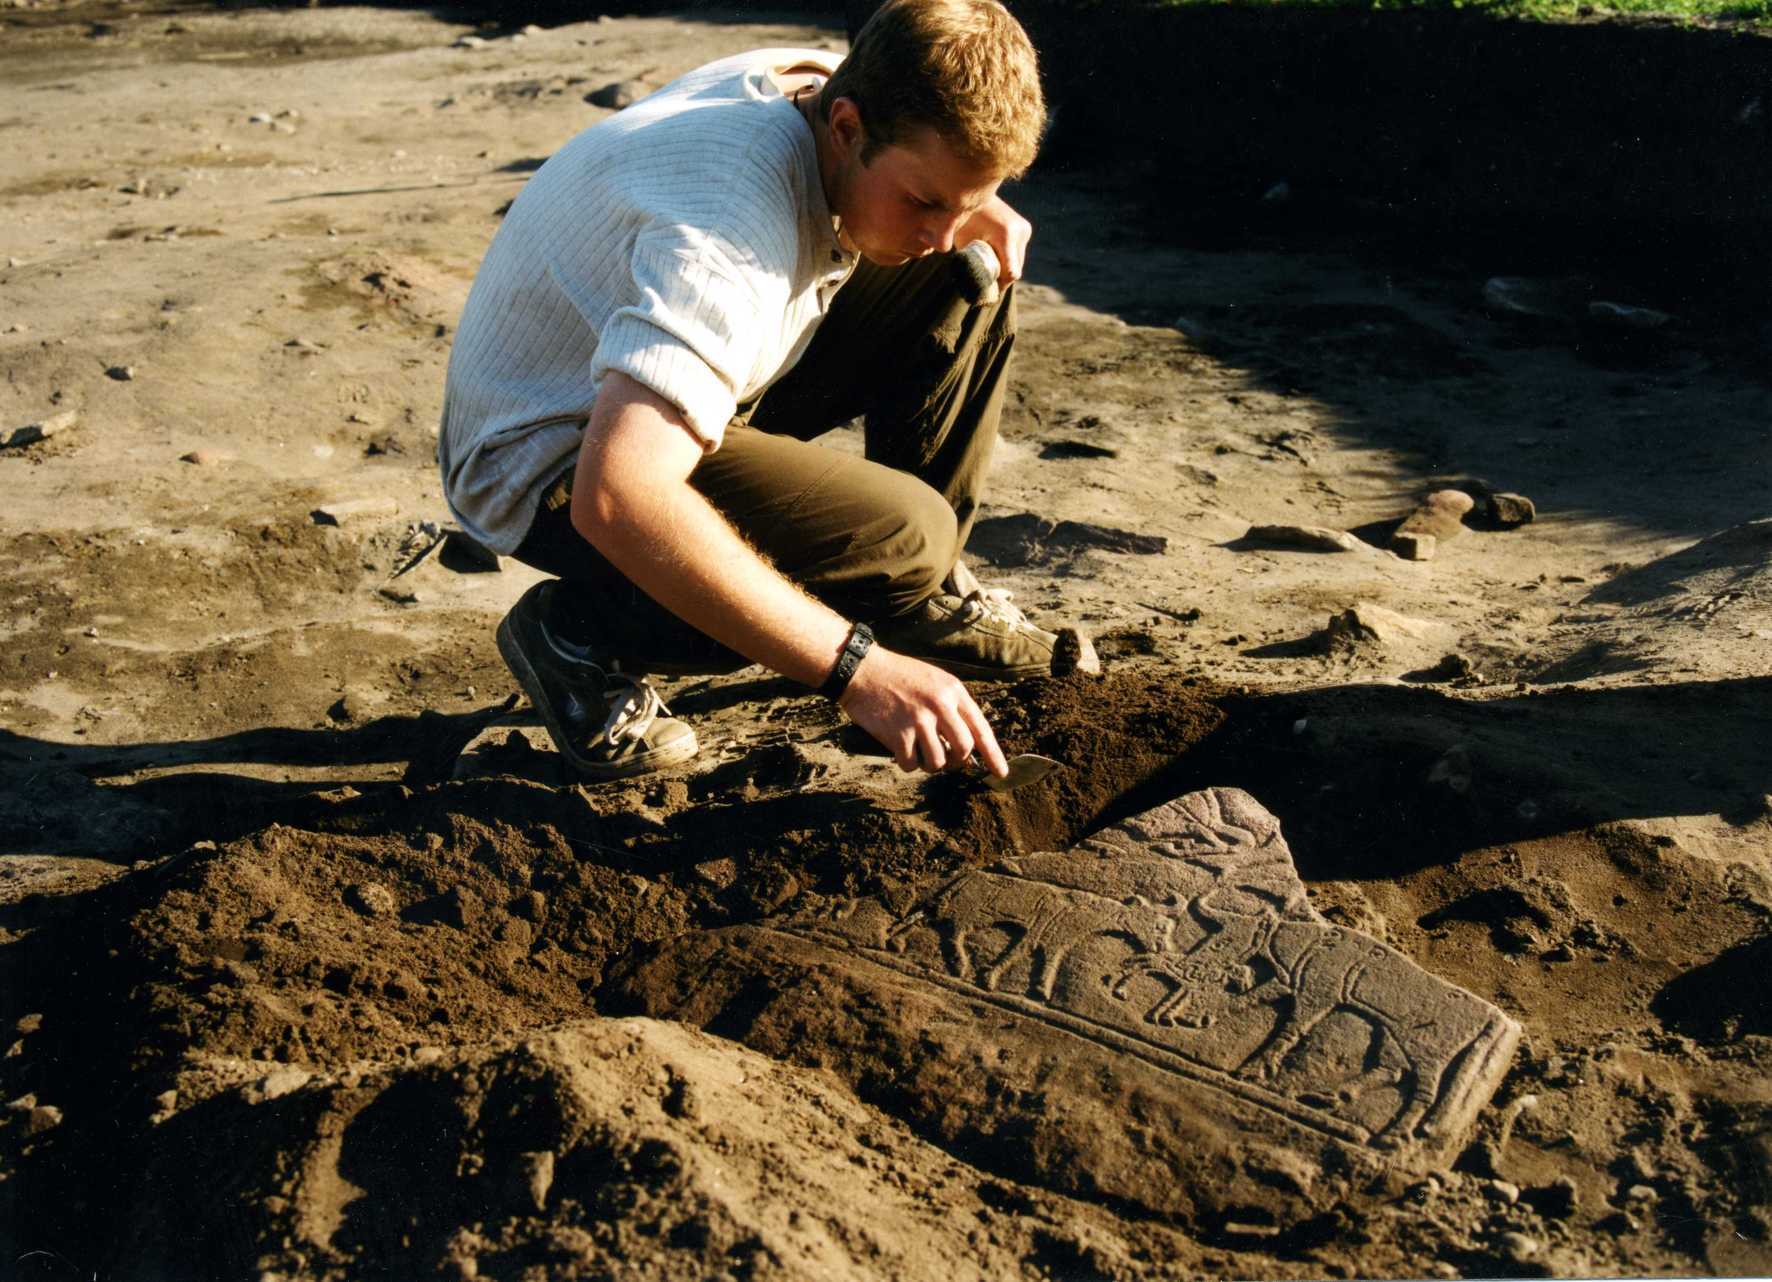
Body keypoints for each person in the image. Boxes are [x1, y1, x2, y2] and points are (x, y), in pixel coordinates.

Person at [438, 0, 1094, 784]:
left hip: (655, 381)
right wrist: (855, 668)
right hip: (553, 456)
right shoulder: (723, 239)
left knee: (969, 268)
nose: (939, 226)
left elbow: (914, 163)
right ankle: (580, 634)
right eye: (925, 201)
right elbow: (616, 497)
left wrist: (962, 203)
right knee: (902, 536)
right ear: (848, 129)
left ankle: (913, 601)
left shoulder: (816, 87)